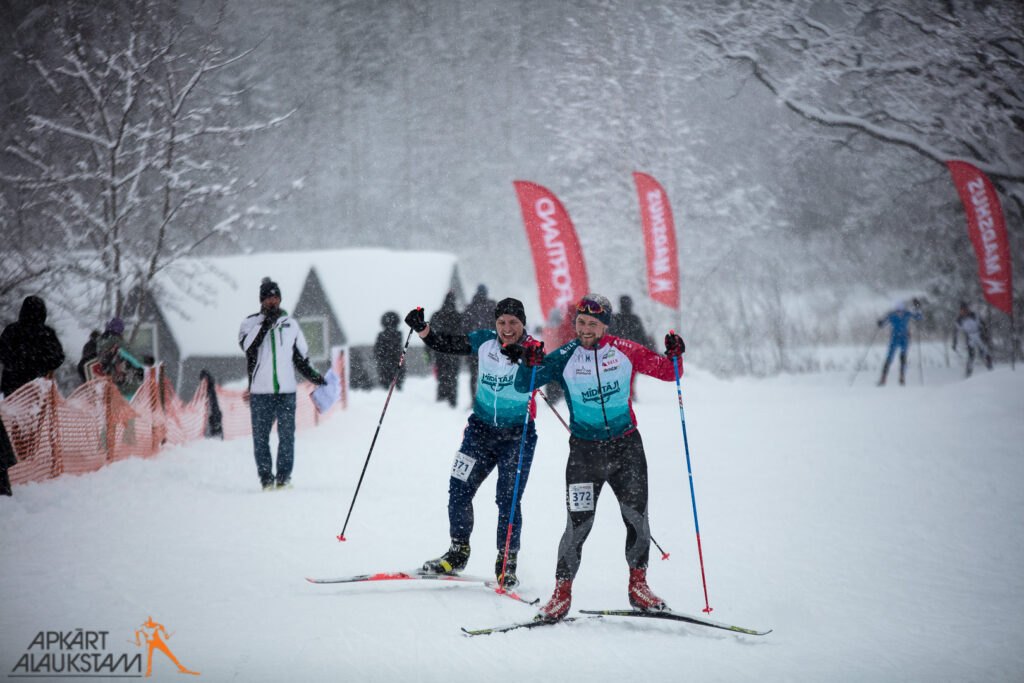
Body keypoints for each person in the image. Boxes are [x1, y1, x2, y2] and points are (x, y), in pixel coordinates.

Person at [501, 293, 686, 621]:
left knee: (637, 518)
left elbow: (668, 372)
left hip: (626, 448)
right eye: (581, 322)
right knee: (578, 525)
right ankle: (561, 592)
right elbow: (522, 385)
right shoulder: (565, 356)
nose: (585, 329)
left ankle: (638, 587)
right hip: (585, 453)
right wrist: (528, 364)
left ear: (605, 325)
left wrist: (675, 355)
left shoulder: (626, 350)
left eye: (592, 324)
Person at [404, 297, 539, 588]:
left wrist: (528, 360)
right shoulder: (485, 341)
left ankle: (506, 563)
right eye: (502, 322)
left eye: (513, 322)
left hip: (517, 436)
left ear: (523, 324)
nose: (507, 328)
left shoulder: (532, 348)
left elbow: (543, 370)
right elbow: (446, 344)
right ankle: (457, 552)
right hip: (480, 432)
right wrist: (423, 329)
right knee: (459, 487)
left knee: (507, 498)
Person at [238, 277, 326, 490]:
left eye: (276, 297)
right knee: (261, 438)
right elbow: (248, 347)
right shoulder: (249, 324)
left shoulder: (291, 325)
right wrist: (265, 324)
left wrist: (315, 377)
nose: (273, 301)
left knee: (287, 437)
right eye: (268, 297)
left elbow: (300, 358)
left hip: (286, 391)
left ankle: (284, 478)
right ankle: (266, 479)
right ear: (262, 300)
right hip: (260, 392)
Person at [0, 295, 66, 398]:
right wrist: (41, 364)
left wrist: (14, 363)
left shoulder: (11, 330)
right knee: (36, 412)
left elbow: (2, 352)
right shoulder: (47, 333)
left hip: (12, 384)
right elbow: (58, 357)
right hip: (38, 385)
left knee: (12, 412)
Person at [95, 317, 146, 399]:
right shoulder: (118, 343)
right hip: (125, 388)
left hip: (105, 387)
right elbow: (138, 362)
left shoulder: (100, 343)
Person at [876, 299, 922, 386]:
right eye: (898, 310)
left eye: (900, 310)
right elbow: (883, 324)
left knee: (903, 357)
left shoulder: (907, 313)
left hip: (904, 338)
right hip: (894, 338)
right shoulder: (892, 315)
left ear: (903, 309)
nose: (899, 312)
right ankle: (883, 378)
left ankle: (902, 377)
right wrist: (880, 323)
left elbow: (918, 318)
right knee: (889, 358)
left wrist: (917, 308)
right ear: (895, 310)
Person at [461, 285, 496, 397]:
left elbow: (464, 328)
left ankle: (473, 400)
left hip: (473, 347)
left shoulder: (470, 308)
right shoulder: (492, 306)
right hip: (489, 347)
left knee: (473, 375)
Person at [430, 291, 462, 407]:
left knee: (442, 375)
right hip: (454, 351)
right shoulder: (458, 316)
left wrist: (429, 351)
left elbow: (430, 333)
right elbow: (463, 334)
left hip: (440, 350)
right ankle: (452, 400)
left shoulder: (437, 315)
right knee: (453, 376)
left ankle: (442, 396)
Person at [953, 302, 993, 377]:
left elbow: (983, 325)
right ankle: (968, 373)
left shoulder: (974, 315)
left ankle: (990, 368)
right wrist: (954, 342)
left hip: (978, 335)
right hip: (969, 336)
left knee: (984, 352)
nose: (963, 312)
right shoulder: (959, 319)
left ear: (967, 309)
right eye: (962, 310)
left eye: (964, 310)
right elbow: (955, 331)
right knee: (971, 355)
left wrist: (986, 335)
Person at [373, 311, 405, 390]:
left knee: (385, 384)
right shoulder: (398, 334)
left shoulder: (381, 335)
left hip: (385, 362)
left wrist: (378, 357)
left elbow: (377, 349)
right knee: (397, 383)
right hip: (395, 361)